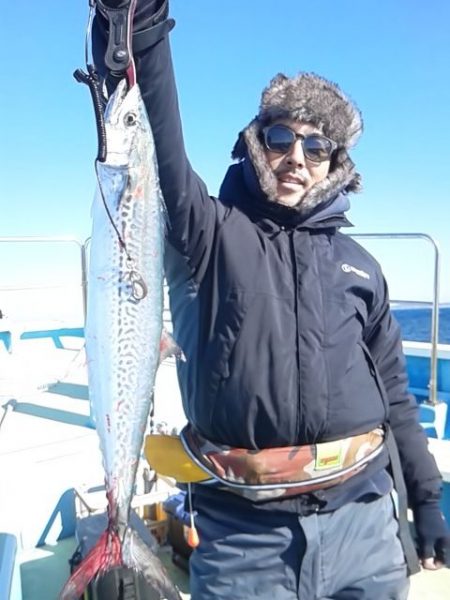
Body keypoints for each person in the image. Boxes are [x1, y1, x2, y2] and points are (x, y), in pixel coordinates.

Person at [93, 2, 450, 598]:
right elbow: (162, 148)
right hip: (243, 536)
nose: (296, 159)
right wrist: (144, 29)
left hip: (366, 525)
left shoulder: (362, 268)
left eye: (317, 148)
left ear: (337, 165)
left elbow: (395, 395)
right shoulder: (209, 233)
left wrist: (427, 499)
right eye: (281, 138)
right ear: (256, 143)